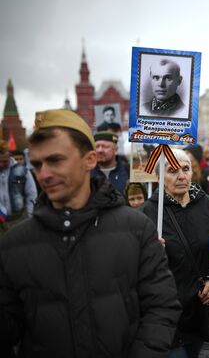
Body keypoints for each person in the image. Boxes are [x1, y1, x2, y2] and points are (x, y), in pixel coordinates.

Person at [0, 109, 181, 357]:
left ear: (90, 160)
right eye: (38, 164)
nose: (43, 174)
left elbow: (161, 308)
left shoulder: (136, 229)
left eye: (56, 160)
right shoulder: (14, 244)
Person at [142, 148, 209, 358]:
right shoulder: (147, 213)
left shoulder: (207, 204)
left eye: (186, 169)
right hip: (168, 314)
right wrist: (149, 253)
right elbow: (130, 265)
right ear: (159, 175)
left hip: (200, 309)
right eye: (172, 170)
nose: (181, 176)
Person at [0, 140, 37, 234]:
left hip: (19, 220)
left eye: (4, 161)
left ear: (9, 155)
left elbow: (32, 194)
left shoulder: (22, 171)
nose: (1, 164)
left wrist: (30, 216)